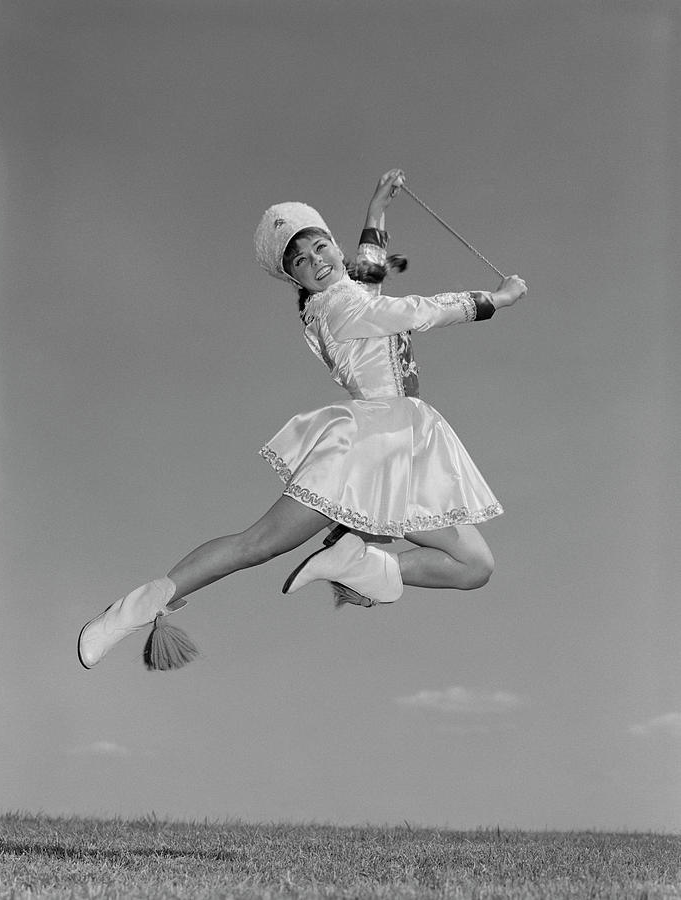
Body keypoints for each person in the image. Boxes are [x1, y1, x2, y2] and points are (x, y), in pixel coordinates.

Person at [78, 169, 527, 669]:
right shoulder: (338, 306)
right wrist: (496, 300)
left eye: (321, 249)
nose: (316, 261)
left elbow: (370, 276)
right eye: (301, 261)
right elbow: (414, 310)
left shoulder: (346, 298)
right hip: (372, 442)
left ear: (336, 251)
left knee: (474, 566)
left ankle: (356, 561)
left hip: (405, 443)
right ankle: (128, 612)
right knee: (259, 544)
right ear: (295, 278)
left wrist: (376, 210)